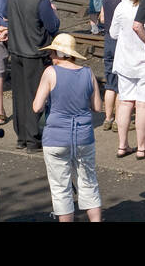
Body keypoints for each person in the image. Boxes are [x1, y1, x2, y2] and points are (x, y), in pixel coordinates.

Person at [33, 33, 102, 222]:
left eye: (53, 53)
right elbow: (97, 107)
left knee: (60, 188)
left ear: (60, 53)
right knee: (88, 183)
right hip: (83, 136)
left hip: (56, 136)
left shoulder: (50, 73)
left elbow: (36, 106)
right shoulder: (88, 73)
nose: (51, 57)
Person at [6, 0, 61, 152]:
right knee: (35, 95)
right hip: (35, 53)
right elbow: (53, 26)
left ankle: (21, 136)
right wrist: (54, 12)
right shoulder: (41, 0)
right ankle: (32, 138)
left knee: (19, 95)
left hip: (16, 50)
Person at [111, 0, 145, 159]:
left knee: (125, 102)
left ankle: (122, 145)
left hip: (124, 61)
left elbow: (113, 33)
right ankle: (142, 147)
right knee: (143, 106)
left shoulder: (122, 7)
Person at [99, 0, 127, 130]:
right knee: (120, 83)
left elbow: (102, 18)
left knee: (110, 82)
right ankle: (117, 119)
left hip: (108, 41)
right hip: (119, 42)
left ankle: (107, 118)